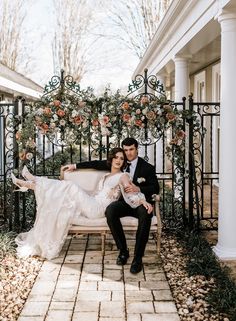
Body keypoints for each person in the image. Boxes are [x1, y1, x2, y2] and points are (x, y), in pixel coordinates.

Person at [12, 147, 153, 260]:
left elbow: (130, 192)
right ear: (111, 159)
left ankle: (34, 181)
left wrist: (143, 201)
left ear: (123, 162)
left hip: (98, 209)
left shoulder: (123, 176)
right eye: (116, 157)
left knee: (70, 186)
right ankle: (32, 183)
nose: (118, 160)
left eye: (122, 158)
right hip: (93, 202)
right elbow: (97, 190)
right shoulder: (105, 175)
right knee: (63, 193)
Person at [63, 138, 159, 273]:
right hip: (123, 203)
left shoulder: (147, 167)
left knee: (145, 214)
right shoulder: (120, 163)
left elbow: (155, 188)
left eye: (131, 149)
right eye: (126, 150)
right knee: (111, 210)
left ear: (137, 149)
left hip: (139, 203)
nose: (128, 153)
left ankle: (137, 258)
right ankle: (123, 250)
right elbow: (97, 163)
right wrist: (76, 166)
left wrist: (138, 189)